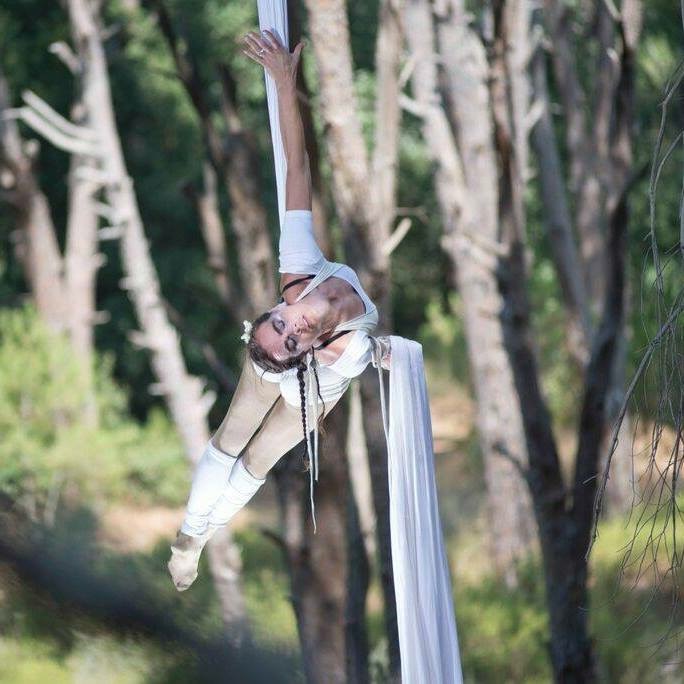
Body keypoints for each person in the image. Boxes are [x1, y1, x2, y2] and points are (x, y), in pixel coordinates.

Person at [168, 29, 390, 591]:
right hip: (302, 383)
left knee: (255, 460)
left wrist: (284, 83)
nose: (294, 327)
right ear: (307, 350)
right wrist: (382, 355)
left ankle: (200, 531)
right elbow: (372, 354)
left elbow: (297, 168)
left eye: (280, 326)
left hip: (307, 392)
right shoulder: (347, 346)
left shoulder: (298, 272)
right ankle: (190, 537)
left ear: (275, 310)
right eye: (292, 338)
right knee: (229, 440)